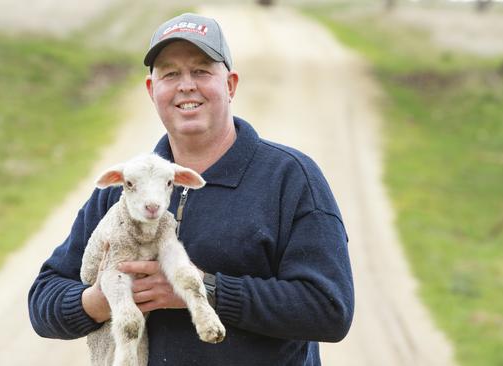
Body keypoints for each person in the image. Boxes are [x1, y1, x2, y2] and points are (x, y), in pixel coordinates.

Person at [28, 12, 354, 365]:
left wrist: (201, 289)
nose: (186, 85)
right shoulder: (124, 188)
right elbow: (44, 301)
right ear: (153, 91)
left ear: (230, 85)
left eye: (201, 71)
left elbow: (329, 309)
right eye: (170, 73)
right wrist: (102, 299)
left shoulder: (290, 178)